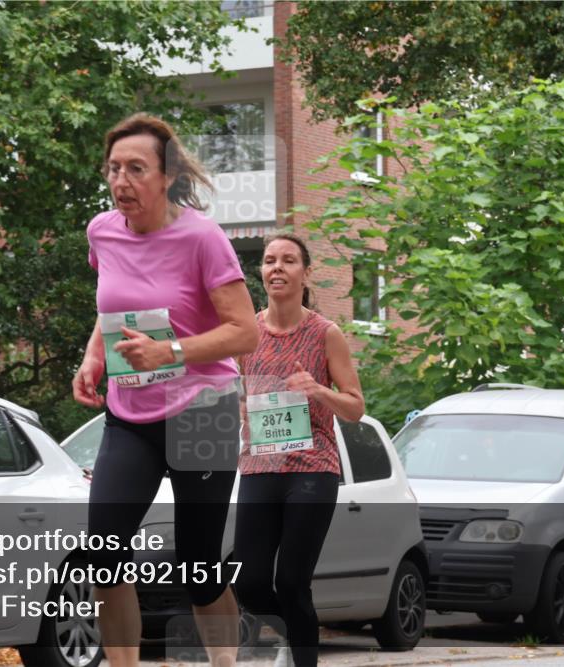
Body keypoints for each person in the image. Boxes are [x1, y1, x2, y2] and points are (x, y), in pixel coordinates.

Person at [73, 112, 258, 667]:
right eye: (113, 169)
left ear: (167, 176)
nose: (121, 181)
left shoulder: (202, 237)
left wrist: (170, 351)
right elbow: (113, 303)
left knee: (198, 567)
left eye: (136, 169)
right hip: (131, 415)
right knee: (104, 553)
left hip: (203, 411)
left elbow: (244, 331)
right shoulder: (101, 231)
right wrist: (94, 355)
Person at [234, 234, 365, 667]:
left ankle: (302, 650)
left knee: (292, 580)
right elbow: (237, 393)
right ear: (261, 271)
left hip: (312, 468)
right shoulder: (247, 332)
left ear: (305, 273)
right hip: (259, 466)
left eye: (288, 261)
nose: (277, 268)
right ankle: (296, 630)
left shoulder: (326, 334)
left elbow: (355, 407)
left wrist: (317, 390)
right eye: (270, 260)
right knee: (250, 582)